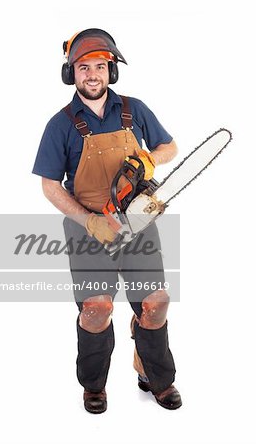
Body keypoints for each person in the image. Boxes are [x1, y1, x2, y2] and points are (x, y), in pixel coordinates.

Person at [32, 28, 182, 413]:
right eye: (84, 67)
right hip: (89, 228)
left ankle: (156, 377)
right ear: (72, 73)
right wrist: (89, 221)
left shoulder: (134, 109)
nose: (93, 74)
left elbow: (170, 147)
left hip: (137, 223)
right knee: (96, 309)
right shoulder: (61, 124)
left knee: (155, 304)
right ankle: (94, 386)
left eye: (101, 66)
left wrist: (152, 158)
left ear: (111, 71)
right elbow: (50, 186)